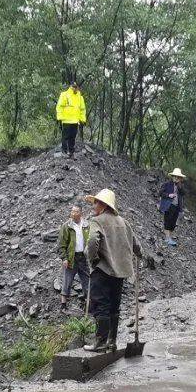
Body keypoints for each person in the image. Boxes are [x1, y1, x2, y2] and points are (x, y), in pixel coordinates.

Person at [84, 189, 143, 352]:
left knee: (100, 305)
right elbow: (136, 244)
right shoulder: (124, 222)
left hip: (102, 270)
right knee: (114, 307)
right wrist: (140, 254)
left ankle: (100, 342)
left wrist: (93, 259)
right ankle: (112, 341)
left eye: (96, 202)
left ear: (103, 204)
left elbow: (93, 241)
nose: (94, 205)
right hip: (120, 272)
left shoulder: (97, 221)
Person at [57, 204, 90, 309]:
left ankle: (88, 304)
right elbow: (61, 244)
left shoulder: (86, 225)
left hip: (83, 257)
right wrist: (64, 258)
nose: (73, 213)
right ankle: (63, 305)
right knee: (67, 280)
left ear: (81, 213)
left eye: (76, 211)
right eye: (72, 211)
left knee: (86, 280)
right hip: (71, 257)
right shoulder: (67, 226)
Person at [56, 81, 86, 157]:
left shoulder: (80, 97)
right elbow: (59, 106)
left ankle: (71, 152)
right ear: (70, 87)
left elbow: (82, 109)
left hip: (75, 121)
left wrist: (83, 119)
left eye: (76, 87)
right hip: (66, 120)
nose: (75, 88)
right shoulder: (64, 95)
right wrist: (59, 117)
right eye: (73, 87)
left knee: (73, 137)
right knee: (65, 136)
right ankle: (64, 152)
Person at [158, 167, 186, 246]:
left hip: (177, 207)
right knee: (167, 221)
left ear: (180, 178)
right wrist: (168, 195)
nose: (176, 178)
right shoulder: (166, 184)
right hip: (168, 205)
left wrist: (179, 185)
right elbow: (160, 193)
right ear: (172, 176)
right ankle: (167, 238)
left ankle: (169, 238)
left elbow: (184, 193)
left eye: (178, 177)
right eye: (175, 176)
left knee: (173, 223)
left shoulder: (180, 186)